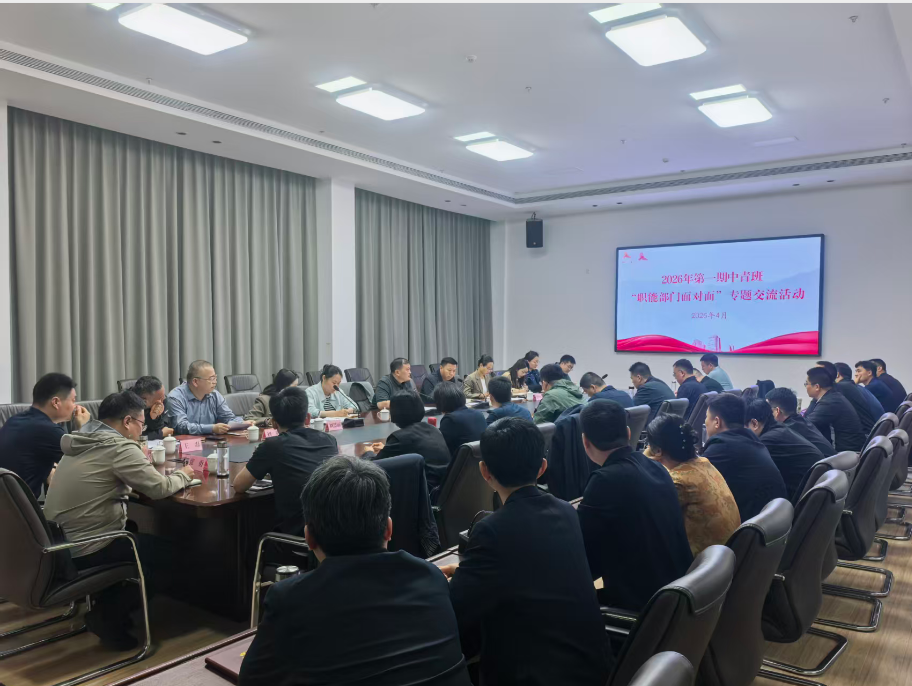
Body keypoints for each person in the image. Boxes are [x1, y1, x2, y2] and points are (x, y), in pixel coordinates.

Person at [239, 457, 470, 686]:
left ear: (309, 537)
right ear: (388, 529)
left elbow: (252, 680)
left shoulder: (290, 600)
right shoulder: (431, 577)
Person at [441, 418, 612, 686]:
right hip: (596, 670)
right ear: (542, 467)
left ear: (484, 471)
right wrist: (468, 570)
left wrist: (443, 580)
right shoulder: (566, 511)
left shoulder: (491, 530)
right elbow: (531, 571)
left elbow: (456, 608)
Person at [43, 391, 195, 649]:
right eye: (141, 424)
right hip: (88, 545)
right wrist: (185, 474)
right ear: (127, 421)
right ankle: (108, 615)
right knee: (173, 556)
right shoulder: (119, 447)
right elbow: (159, 488)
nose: (141, 430)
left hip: (57, 543)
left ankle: (109, 606)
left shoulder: (82, 440)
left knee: (135, 532)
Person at [577, 400, 693, 611]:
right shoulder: (656, 468)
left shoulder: (605, 480)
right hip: (679, 596)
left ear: (585, 442)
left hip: (645, 610)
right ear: (629, 433)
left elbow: (584, 561)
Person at [234, 387, 338, 536]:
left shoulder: (272, 446)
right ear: (308, 418)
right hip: (334, 533)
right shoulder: (330, 440)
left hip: (297, 538)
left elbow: (239, 486)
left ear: (274, 423)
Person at [645, 414, 740, 556]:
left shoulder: (678, 482)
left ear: (658, 450)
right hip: (724, 560)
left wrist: (646, 460)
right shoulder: (703, 463)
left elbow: (647, 516)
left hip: (701, 565)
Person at [0, 373, 90, 498]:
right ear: (56, 402)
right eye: (73, 400)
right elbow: (90, 466)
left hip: (7, 505)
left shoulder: (14, 420)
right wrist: (85, 427)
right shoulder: (50, 431)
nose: (75, 406)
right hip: (23, 508)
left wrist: (51, 468)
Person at [702, 393, 787, 521]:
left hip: (749, 526)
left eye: (707, 417)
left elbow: (695, 479)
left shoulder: (722, 446)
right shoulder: (750, 439)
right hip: (770, 522)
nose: (705, 421)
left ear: (717, 422)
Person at [362, 391, 452, 492]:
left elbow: (373, 468)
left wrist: (368, 452)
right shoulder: (433, 429)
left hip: (422, 493)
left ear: (395, 412)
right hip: (445, 490)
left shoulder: (399, 438)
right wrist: (387, 448)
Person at [745, 399, 824, 502]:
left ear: (754, 423)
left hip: (799, 499)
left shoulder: (767, 441)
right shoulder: (781, 429)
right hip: (813, 495)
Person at [167, 360, 251, 435]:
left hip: (211, 442)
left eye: (215, 378)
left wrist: (242, 423)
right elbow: (181, 426)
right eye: (211, 379)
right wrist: (212, 428)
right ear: (195, 382)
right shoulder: (175, 397)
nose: (215, 382)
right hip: (186, 444)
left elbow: (228, 418)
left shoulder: (215, 395)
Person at [807, 367, 865, 452]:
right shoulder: (834, 396)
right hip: (851, 448)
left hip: (846, 452)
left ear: (817, 387)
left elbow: (806, 425)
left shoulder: (829, 402)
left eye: (806, 383)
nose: (806, 387)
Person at [765, 387, 835, 457]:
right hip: (833, 461)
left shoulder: (785, 432)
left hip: (823, 463)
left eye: (766, 409)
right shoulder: (802, 421)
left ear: (777, 411)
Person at [814, 361, 877, 433]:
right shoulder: (849, 386)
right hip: (869, 432)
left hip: (864, 434)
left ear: (837, 374)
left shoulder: (839, 387)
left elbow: (813, 418)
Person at [435, 382, 488, 459]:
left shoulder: (450, 420)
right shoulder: (479, 414)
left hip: (459, 464)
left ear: (440, 402)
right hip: (480, 462)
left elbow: (440, 447)